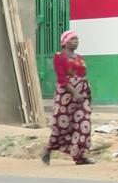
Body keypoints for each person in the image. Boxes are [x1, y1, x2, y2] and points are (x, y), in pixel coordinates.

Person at [41, 31, 95, 166]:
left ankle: (80, 157)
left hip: (82, 93)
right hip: (66, 93)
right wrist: (75, 93)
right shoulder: (59, 57)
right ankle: (48, 148)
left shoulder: (80, 57)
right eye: (72, 39)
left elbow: (83, 75)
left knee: (84, 123)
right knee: (61, 125)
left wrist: (83, 92)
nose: (76, 41)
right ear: (65, 42)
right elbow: (62, 78)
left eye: (77, 39)